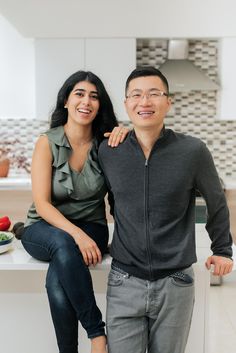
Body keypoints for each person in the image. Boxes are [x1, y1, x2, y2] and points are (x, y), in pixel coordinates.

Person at [98, 66, 234, 353]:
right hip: (124, 280)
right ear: (126, 104)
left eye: (154, 94)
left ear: (168, 101)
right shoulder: (109, 151)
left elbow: (216, 201)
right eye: (136, 95)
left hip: (176, 282)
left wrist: (222, 249)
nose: (144, 102)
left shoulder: (193, 151)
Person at [16, 70, 128, 353]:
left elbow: (123, 194)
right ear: (66, 100)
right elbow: (42, 203)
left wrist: (128, 132)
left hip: (93, 227)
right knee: (63, 244)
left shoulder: (107, 144)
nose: (86, 101)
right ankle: (97, 335)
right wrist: (75, 234)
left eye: (94, 96)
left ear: (100, 105)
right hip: (44, 226)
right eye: (79, 94)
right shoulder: (47, 142)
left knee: (59, 273)